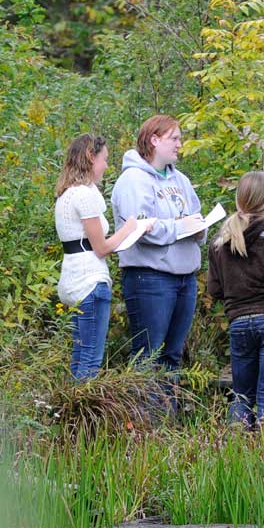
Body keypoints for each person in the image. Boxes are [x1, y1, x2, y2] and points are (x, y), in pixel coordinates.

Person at [111, 115, 205, 373]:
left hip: (186, 277)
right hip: (150, 278)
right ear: (154, 140)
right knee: (148, 356)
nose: (179, 144)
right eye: (174, 138)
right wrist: (180, 227)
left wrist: (198, 229)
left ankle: (167, 414)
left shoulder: (181, 181)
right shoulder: (133, 180)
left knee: (172, 357)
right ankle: (143, 414)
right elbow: (141, 227)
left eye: (180, 139)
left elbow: (195, 215)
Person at [207, 171, 264, 428]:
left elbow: (214, 289)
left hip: (239, 322)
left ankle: (236, 451)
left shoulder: (219, 241)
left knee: (241, 396)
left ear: (239, 199)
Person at [54, 133, 146, 381]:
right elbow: (101, 248)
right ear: (90, 158)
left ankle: (71, 411)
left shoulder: (66, 194)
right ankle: (84, 413)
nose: (106, 165)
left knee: (80, 354)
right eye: (104, 159)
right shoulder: (84, 196)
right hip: (89, 282)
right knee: (91, 359)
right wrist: (130, 228)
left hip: (72, 279)